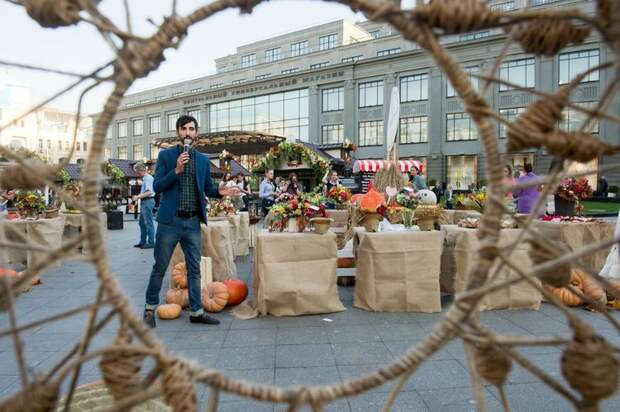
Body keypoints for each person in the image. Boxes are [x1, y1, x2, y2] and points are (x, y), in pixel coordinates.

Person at [143, 115, 236, 328]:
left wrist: (220, 192)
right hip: (170, 221)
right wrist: (176, 170)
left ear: (196, 133)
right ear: (178, 132)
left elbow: (208, 188)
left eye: (191, 129)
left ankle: (196, 311)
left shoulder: (203, 160)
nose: (187, 133)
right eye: (184, 128)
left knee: (195, 269)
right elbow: (156, 187)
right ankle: (149, 309)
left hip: (192, 221)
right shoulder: (166, 156)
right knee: (160, 266)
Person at [132, 162, 155, 249]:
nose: (136, 174)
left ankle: (151, 242)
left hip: (147, 202)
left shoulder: (148, 178)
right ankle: (142, 241)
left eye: (136, 172)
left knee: (148, 223)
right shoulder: (146, 178)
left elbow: (149, 192)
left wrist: (138, 196)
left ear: (140, 170)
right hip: (146, 202)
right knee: (142, 223)